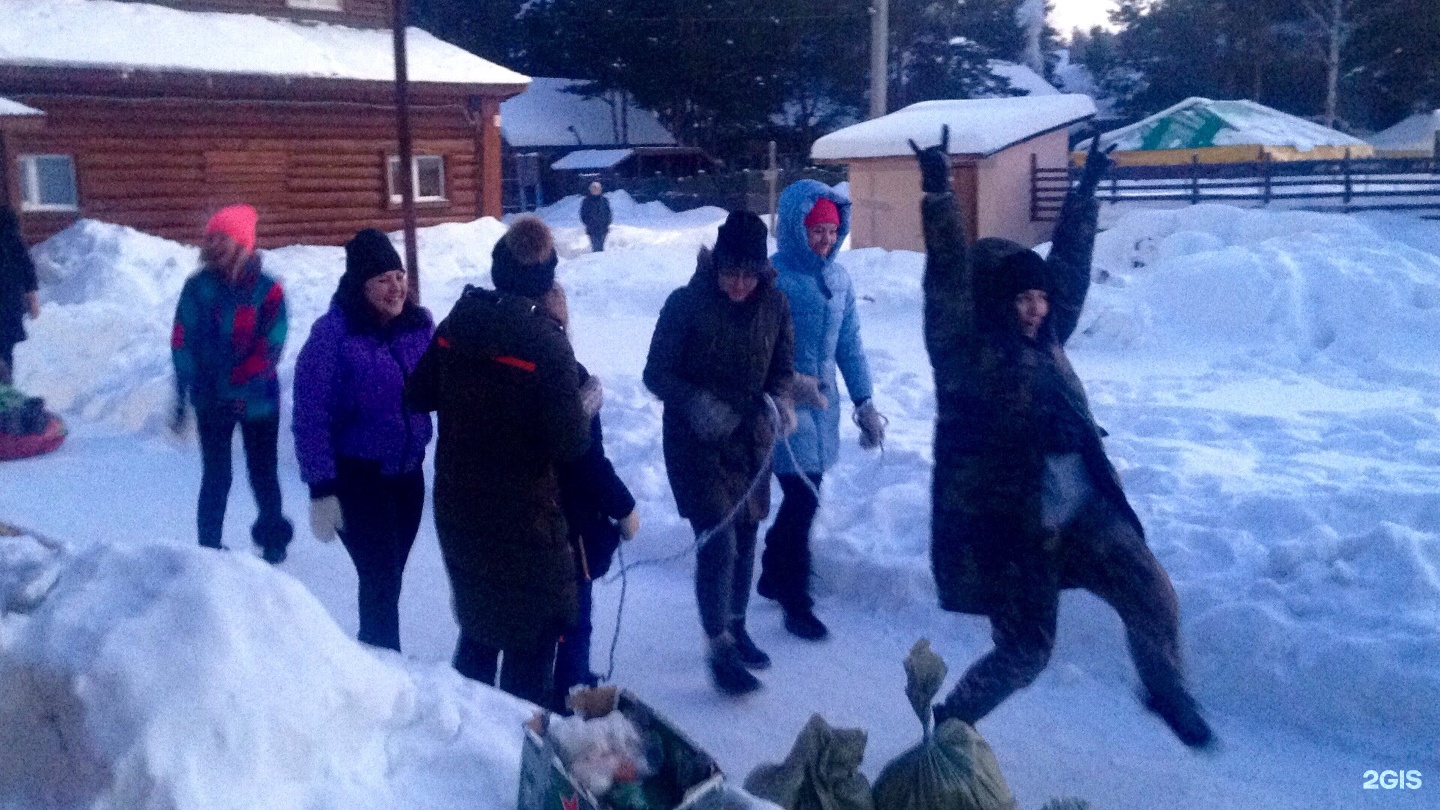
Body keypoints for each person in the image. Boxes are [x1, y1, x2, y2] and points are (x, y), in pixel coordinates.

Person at [915, 128, 1214, 749]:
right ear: (998, 302)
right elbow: (945, 280)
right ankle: (950, 727)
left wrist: (1086, 190)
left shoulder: (1048, 336)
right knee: (1026, 650)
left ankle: (1165, 689)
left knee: (1150, 589)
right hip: (1012, 526)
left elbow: (1070, 268)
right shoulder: (963, 355)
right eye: (1022, 298)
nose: (1035, 308)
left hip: (1080, 508)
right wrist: (940, 193)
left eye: (1040, 298)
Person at [406, 215, 590, 705]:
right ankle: (511, 751)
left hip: (460, 509)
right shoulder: (546, 344)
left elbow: (418, 393)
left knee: (480, 626)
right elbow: (571, 443)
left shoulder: (459, 321)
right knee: (530, 650)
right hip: (525, 519)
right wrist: (585, 395)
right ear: (548, 281)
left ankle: (466, 739)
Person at [643, 210, 796, 696]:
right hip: (697, 441)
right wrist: (694, 401)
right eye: (730, 273)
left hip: (750, 440)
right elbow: (655, 372)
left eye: (749, 275)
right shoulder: (686, 304)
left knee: (748, 533)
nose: (739, 284)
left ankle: (737, 624)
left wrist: (780, 403)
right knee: (720, 539)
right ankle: (719, 647)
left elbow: (782, 368)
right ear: (716, 265)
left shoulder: (775, 304)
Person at [293, 229, 434, 653]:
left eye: (399, 275)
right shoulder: (332, 337)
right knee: (381, 580)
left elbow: (441, 384)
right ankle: (379, 666)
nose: (396, 288)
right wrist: (321, 489)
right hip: (359, 477)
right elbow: (311, 416)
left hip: (408, 476)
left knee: (388, 581)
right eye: (382, 280)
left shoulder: (418, 326)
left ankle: (373, 666)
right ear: (361, 285)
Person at [759, 181, 886, 642]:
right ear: (796, 228)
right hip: (783, 410)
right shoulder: (772, 277)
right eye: (816, 230)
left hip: (824, 409)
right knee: (803, 501)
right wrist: (785, 387)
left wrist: (865, 402)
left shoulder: (839, 279)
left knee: (802, 501)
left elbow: (849, 345)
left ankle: (773, 571)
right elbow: (755, 347)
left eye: (832, 231)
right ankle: (796, 600)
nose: (826, 239)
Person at [536, 283, 641, 709]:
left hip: (518, 520)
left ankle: (555, 683)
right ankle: (571, 688)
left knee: (539, 614)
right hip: (569, 527)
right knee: (574, 618)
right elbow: (587, 462)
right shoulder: (570, 382)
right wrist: (624, 507)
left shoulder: (500, 372)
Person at [171, 204, 293, 563]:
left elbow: (274, 342)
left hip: (258, 400)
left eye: (221, 236)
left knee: (263, 473)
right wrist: (187, 385)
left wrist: (240, 380)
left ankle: (273, 539)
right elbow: (182, 339)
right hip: (211, 399)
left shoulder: (268, 291)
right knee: (216, 475)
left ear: (242, 242)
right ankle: (208, 545)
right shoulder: (197, 288)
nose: (212, 243)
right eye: (210, 237)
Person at [0, 205, 40, 375]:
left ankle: (5, 393)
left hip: (7, 299)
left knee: (4, 349)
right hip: (10, 300)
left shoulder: (5, 223)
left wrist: (32, 296)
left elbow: (23, 262)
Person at [580, 181, 612, 253]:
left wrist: (607, 223)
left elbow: (608, 213)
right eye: (594, 189)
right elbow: (583, 215)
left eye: (597, 189)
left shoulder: (604, 200)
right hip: (592, 228)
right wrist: (590, 223)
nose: (596, 190)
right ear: (590, 190)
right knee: (595, 247)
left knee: (601, 246)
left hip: (603, 228)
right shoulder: (586, 201)